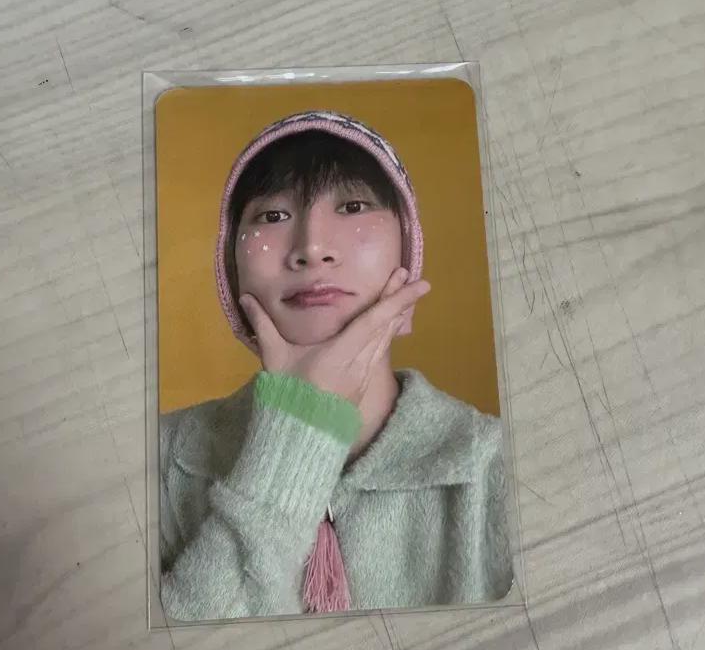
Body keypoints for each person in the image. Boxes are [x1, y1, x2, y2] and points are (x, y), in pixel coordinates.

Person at [159, 110, 513, 621]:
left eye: (352, 206)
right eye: (271, 216)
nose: (312, 248)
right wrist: (300, 428)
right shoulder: (161, 458)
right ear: (229, 265)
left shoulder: (497, 461)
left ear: (408, 248)